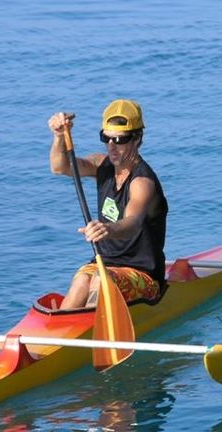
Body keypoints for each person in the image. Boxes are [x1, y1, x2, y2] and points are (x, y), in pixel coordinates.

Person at [48, 99, 168, 310]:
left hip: (142, 274)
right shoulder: (101, 165)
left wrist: (108, 229)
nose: (112, 146)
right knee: (81, 281)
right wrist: (59, 137)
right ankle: (59, 333)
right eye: (107, 138)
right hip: (104, 266)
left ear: (138, 139)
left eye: (120, 139)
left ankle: (91, 327)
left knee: (101, 281)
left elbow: (133, 222)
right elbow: (61, 167)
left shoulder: (142, 183)